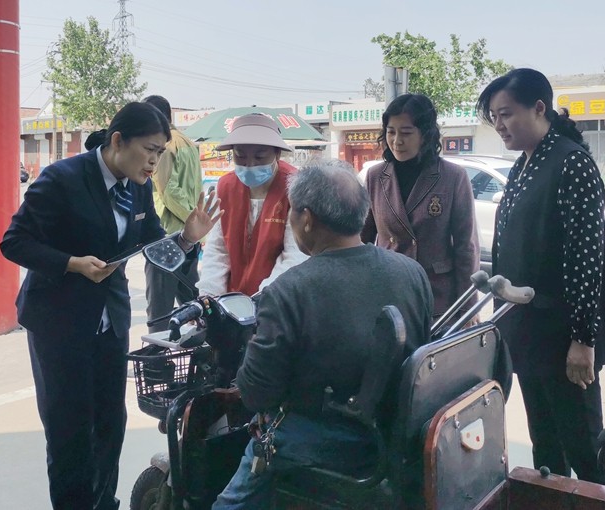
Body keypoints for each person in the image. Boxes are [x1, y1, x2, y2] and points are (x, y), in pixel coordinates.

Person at [0, 102, 222, 510]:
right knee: (69, 431)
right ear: (118, 140)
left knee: (110, 425)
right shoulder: (62, 179)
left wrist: (187, 239)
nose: (154, 162)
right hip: (59, 322)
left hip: (109, 321)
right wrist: (72, 263)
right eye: (149, 150)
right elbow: (14, 242)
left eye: (160, 153)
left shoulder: (137, 185)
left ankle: (103, 502)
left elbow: (152, 245)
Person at [212, 159, 433, 509]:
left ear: (307, 219)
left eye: (292, 212)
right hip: (396, 433)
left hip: (323, 439)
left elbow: (256, 393)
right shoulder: (412, 272)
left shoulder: (287, 291)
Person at [476, 68, 605, 483]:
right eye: (494, 117)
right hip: (528, 330)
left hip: (563, 334)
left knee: (584, 447)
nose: (499, 124)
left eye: (506, 113)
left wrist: (583, 339)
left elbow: (585, 257)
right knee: (545, 445)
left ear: (539, 108)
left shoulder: (571, 163)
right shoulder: (524, 164)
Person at [361, 93, 480, 320]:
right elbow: (362, 238)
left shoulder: (453, 176)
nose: (397, 141)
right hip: (388, 292)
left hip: (437, 296)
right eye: (391, 132)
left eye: (406, 133)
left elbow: (466, 247)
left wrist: (468, 307)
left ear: (425, 134)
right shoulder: (375, 176)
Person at [196, 113, 307, 297]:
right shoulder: (226, 187)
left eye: (260, 157)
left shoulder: (295, 187)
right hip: (233, 299)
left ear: (277, 154)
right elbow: (218, 249)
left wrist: (261, 299)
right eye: (240, 156)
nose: (250, 164)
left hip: (279, 298)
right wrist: (209, 295)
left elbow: (295, 255)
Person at [142, 95, 204, 332]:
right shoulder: (187, 142)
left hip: (167, 236)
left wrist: (191, 220)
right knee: (195, 306)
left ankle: (158, 356)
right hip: (189, 236)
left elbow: (168, 191)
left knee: (159, 313)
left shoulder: (165, 146)